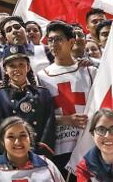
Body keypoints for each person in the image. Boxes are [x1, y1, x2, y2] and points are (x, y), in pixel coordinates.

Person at [36, 21, 94, 167]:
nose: (53, 43)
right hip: (59, 147)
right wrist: (66, 119)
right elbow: (40, 116)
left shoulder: (89, 71)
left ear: (71, 42)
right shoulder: (41, 76)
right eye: (50, 40)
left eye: (59, 39)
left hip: (89, 142)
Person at [0, 49, 57, 160]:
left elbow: (49, 125)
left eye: (21, 64)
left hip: (37, 155)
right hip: (7, 156)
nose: (17, 69)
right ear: (5, 70)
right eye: (12, 66)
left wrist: (42, 154)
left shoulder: (42, 94)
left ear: (28, 67)